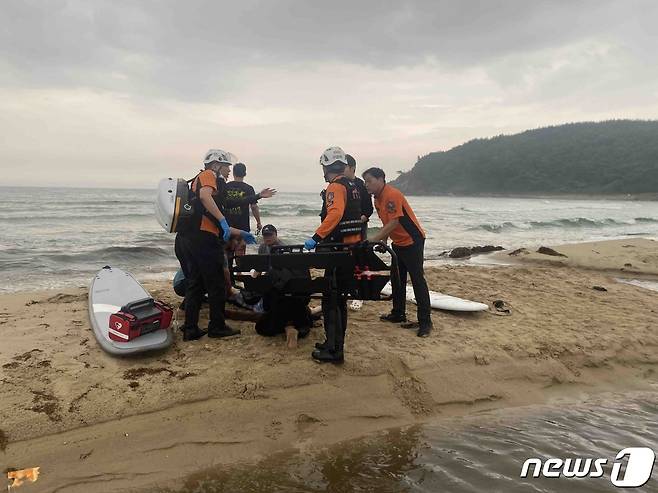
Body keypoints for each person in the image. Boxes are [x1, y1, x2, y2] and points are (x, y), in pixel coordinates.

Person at [178, 149, 257, 341]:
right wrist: (222, 220)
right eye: (226, 167)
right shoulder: (207, 175)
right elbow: (205, 196)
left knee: (195, 283)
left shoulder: (208, 182)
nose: (229, 171)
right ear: (216, 165)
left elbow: (212, 216)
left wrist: (240, 233)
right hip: (204, 239)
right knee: (217, 284)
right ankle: (217, 326)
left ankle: (190, 328)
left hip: (192, 238)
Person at [304, 146, 363, 363]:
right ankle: (332, 343)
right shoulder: (353, 184)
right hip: (350, 249)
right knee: (338, 300)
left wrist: (316, 238)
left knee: (332, 300)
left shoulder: (335, 187)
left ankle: (335, 351)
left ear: (327, 166)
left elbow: (335, 213)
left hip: (338, 251)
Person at [362, 167, 433, 337]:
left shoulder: (392, 195)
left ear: (381, 179)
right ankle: (398, 313)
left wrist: (375, 238)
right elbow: (386, 223)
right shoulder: (377, 199)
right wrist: (384, 240)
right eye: (365, 181)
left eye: (369, 181)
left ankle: (425, 322)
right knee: (397, 279)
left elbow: (394, 222)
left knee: (417, 280)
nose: (366, 185)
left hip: (413, 241)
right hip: (398, 243)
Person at [225, 163, 264, 245]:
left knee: (227, 248)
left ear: (233, 173)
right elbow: (253, 207)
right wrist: (258, 222)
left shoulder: (226, 186)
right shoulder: (249, 188)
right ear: (245, 173)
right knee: (241, 249)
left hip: (228, 225)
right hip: (242, 225)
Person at [344, 154, 374, 230]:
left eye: (344, 167)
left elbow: (369, 208)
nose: (341, 170)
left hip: (360, 226)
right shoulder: (339, 184)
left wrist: (358, 221)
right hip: (342, 227)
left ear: (352, 168)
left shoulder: (361, 185)